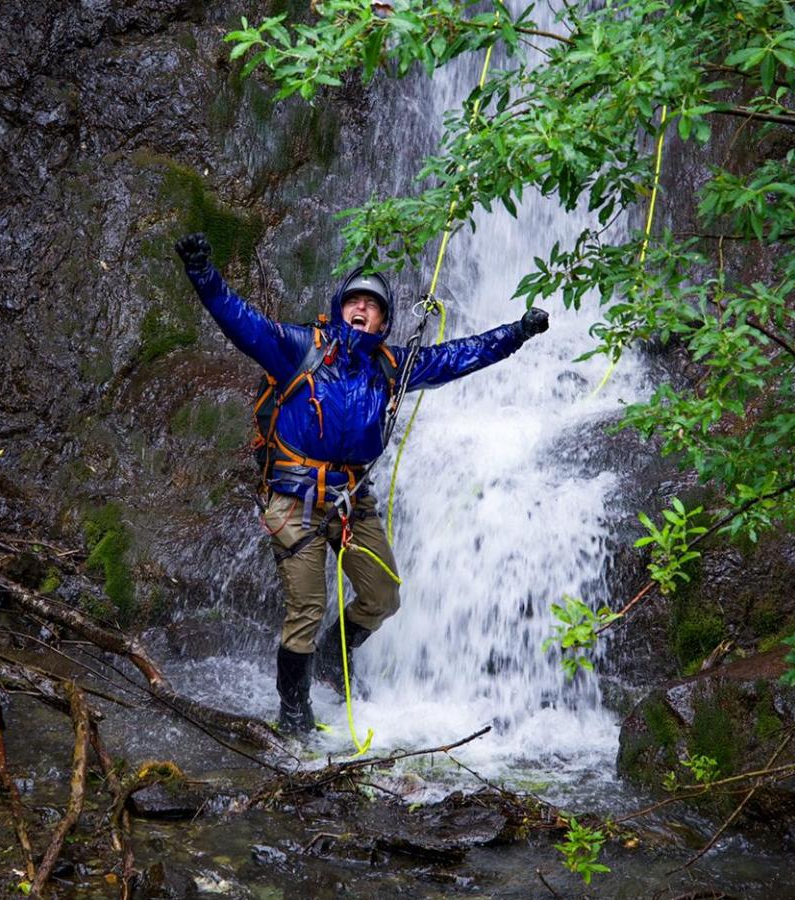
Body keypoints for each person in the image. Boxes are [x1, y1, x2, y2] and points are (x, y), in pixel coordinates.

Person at [174, 232, 549, 734]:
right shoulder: (297, 350)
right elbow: (238, 318)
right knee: (306, 606)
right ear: (338, 307)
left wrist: (516, 334)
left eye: (372, 306)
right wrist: (203, 273)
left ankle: (333, 662)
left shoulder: (390, 367)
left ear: (384, 322)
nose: (361, 310)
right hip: (294, 498)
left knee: (384, 594)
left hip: (351, 501)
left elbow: (459, 356)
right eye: (354, 300)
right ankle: (293, 712)